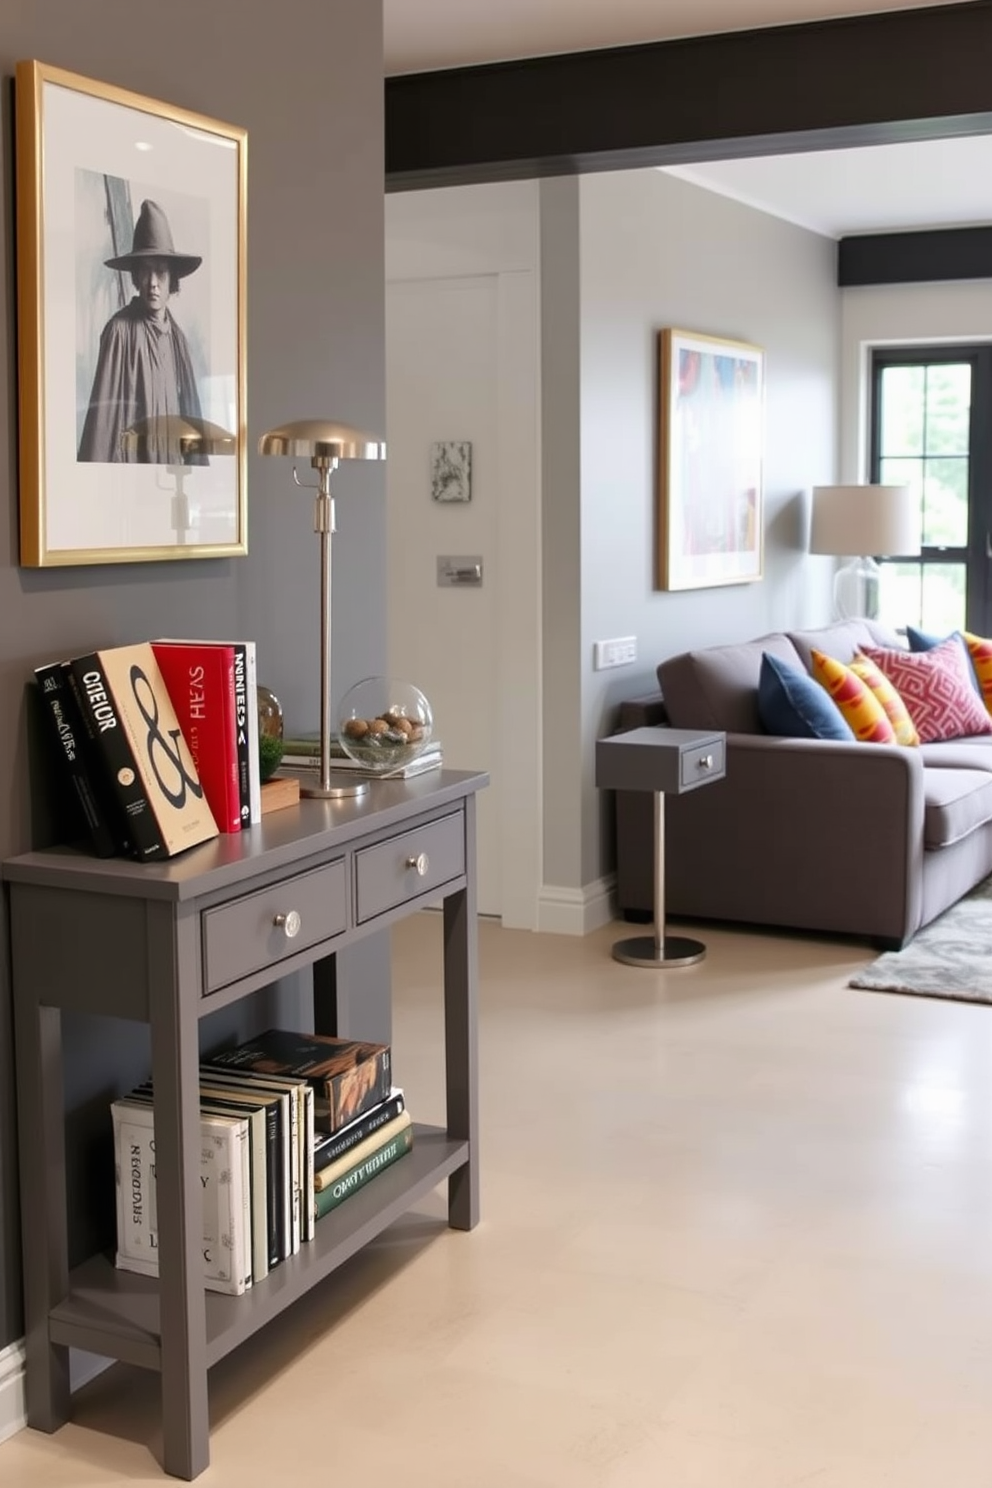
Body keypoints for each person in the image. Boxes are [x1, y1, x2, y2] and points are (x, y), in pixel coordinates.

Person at [78, 198, 206, 465]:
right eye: (145, 272)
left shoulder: (178, 342)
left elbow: (193, 429)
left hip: (172, 477)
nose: (153, 284)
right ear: (135, 277)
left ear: (172, 280)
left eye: (160, 273)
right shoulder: (119, 333)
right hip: (130, 477)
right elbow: (101, 428)